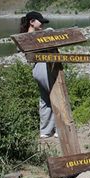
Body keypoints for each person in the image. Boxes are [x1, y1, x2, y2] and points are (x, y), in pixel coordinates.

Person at [20, 11, 57, 139]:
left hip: (36, 68)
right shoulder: (34, 36)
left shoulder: (24, 36)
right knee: (55, 95)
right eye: (40, 21)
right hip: (44, 66)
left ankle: (46, 130)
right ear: (32, 22)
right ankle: (59, 128)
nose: (42, 24)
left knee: (45, 99)